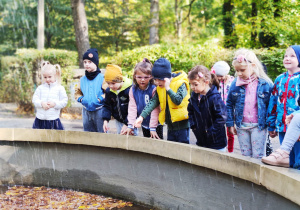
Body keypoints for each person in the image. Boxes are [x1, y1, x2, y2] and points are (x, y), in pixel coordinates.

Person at [226, 49, 273, 159]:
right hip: (242, 126)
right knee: (245, 156)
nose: (239, 73)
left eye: (242, 70)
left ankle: (258, 176)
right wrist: (230, 124)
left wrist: (271, 125)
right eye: (237, 70)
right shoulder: (235, 83)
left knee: (258, 156)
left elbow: (272, 106)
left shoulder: (266, 84)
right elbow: (229, 103)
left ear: (253, 65)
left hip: (258, 126)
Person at [134, 58, 190, 143]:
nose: (157, 82)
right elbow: (153, 102)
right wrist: (141, 117)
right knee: (171, 150)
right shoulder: (160, 88)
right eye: (155, 79)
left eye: (159, 80)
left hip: (182, 125)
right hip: (170, 126)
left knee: (183, 150)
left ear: (166, 78)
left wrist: (168, 88)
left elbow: (177, 100)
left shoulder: (181, 83)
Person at [265, 45, 300, 167]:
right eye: (285, 56)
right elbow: (273, 102)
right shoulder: (280, 79)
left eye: (292, 56)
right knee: (286, 159)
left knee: (298, 159)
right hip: (282, 126)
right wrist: (271, 124)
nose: (287, 58)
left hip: (296, 127)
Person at [121, 58, 163, 139]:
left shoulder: (154, 89)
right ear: (135, 76)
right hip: (143, 123)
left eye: (146, 77)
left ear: (151, 77)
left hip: (155, 124)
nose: (142, 80)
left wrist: (153, 127)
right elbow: (132, 108)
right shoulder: (133, 90)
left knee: (158, 145)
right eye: (139, 77)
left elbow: (155, 109)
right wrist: (130, 125)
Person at [188, 65, 227, 151]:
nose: (192, 87)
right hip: (201, 141)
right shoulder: (194, 96)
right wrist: (193, 125)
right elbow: (190, 110)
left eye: (195, 84)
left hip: (216, 143)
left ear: (206, 82)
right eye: (191, 84)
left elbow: (222, 117)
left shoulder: (215, 98)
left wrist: (210, 132)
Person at [75, 48, 106, 132]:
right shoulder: (82, 79)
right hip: (86, 111)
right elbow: (77, 92)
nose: (87, 64)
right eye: (85, 62)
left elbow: (108, 92)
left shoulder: (102, 78)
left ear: (96, 63)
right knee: (87, 134)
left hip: (99, 110)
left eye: (90, 62)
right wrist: (81, 99)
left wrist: (100, 99)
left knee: (101, 133)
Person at [32, 61, 68, 130]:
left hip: (53, 119)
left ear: (55, 75)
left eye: (49, 77)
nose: (47, 79)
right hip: (40, 119)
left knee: (55, 139)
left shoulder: (59, 88)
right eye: (45, 77)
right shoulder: (40, 88)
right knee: (39, 138)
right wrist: (41, 103)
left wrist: (54, 104)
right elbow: (35, 99)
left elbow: (64, 101)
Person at [212, 61, 235, 152]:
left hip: (229, 110)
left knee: (230, 132)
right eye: (218, 76)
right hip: (218, 110)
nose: (220, 78)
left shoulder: (232, 81)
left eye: (222, 76)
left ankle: (230, 150)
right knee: (219, 129)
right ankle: (221, 148)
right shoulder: (214, 81)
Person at [102, 64, 132, 134]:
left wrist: (127, 123)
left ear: (120, 80)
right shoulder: (109, 91)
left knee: (131, 139)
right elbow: (107, 106)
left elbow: (133, 108)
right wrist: (105, 120)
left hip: (130, 120)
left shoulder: (130, 90)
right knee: (120, 137)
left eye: (113, 83)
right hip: (118, 120)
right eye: (108, 83)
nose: (110, 86)